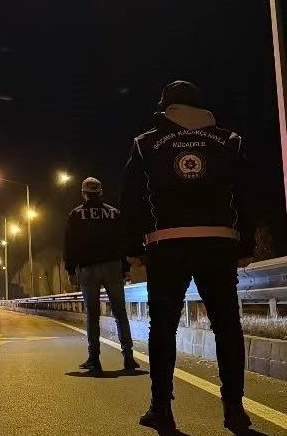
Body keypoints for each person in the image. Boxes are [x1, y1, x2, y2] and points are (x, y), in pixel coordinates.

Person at [121, 81, 255, 434]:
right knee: (227, 327)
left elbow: (131, 198)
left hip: (167, 244)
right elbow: (246, 194)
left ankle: (161, 409)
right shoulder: (229, 140)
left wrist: (134, 249)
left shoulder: (145, 142)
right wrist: (246, 244)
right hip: (218, 242)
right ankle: (234, 411)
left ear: (166, 108)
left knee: (163, 328)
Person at [63, 176, 139, 375]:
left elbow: (70, 245)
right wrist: (125, 268)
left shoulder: (76, 215)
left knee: (93, 315)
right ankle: (129, 357)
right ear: (100, 192)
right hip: (113, 267)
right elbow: (123, 242)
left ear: (83, 193)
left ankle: (94, 359)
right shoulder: (113, 213)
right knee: (120, 313)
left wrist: (71, 270)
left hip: (88, 270)